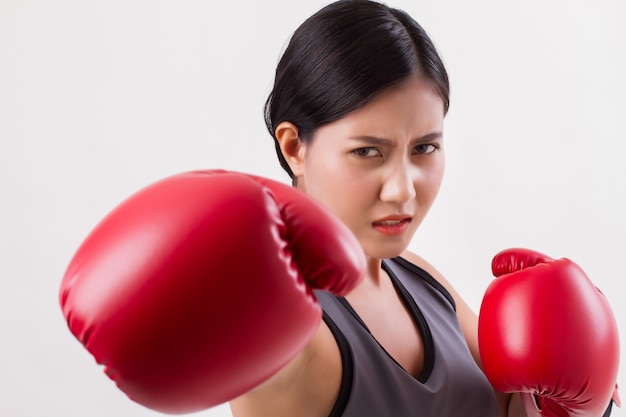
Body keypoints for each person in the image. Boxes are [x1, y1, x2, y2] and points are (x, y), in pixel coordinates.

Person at [59, 1, 619, 416]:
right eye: (368, 152)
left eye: (425, 147)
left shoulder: (422, 280)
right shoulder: (285, 337)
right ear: (293, 146)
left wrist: (577, 407)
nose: (403, 189)